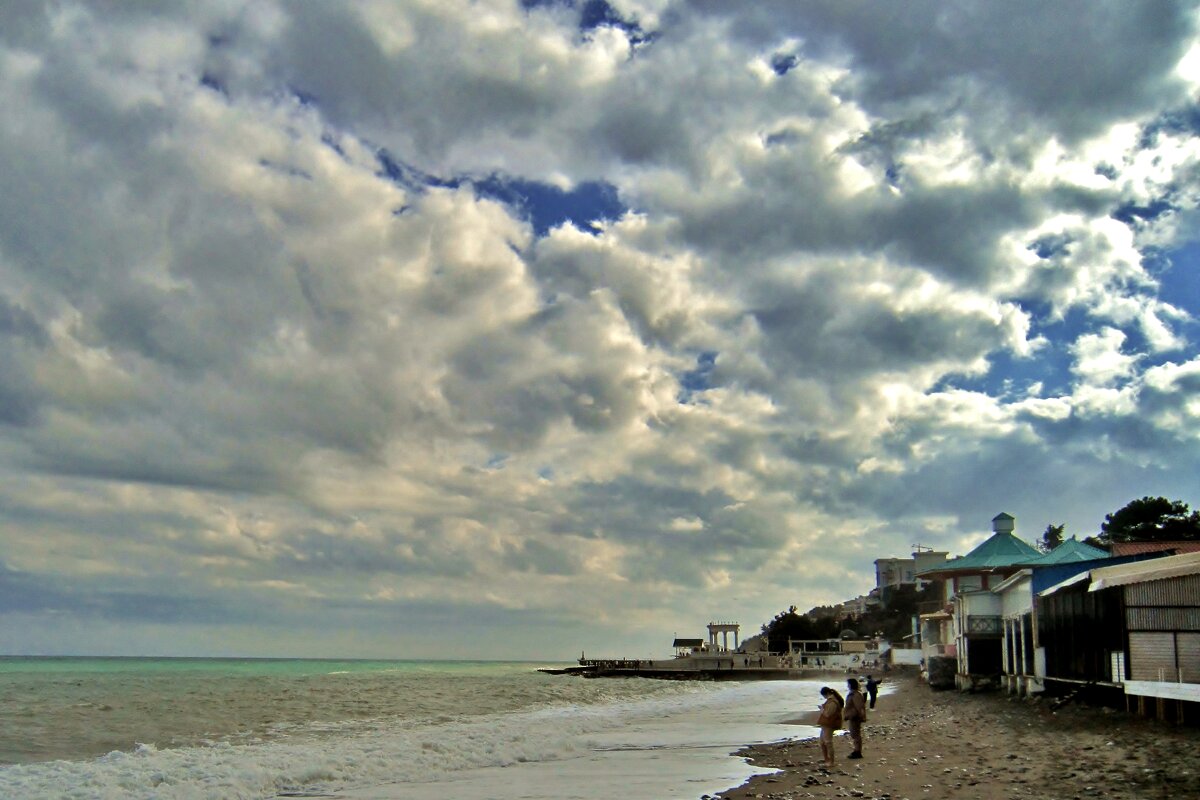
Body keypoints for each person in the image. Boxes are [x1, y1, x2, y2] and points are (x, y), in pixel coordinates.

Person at [816, 686, 844, 768]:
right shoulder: (831, 701)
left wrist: (821, 709)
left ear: (826, 694)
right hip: (826, 724)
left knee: (828, 742)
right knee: (822, 742)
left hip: (829, 724)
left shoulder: (833, 702)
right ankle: (827, 760)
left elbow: (828, 714)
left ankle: (831, 761)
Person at [844, 678, 867, 759]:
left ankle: (857, 752)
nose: (847, 686)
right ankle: (856, 751)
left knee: (855, 734)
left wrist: (860, 716)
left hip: (855, 717)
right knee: (854, 734)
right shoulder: (854, 694)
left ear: (851, 685)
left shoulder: (856, 694)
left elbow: (859, 707)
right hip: (853, 717)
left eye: (848, 684)